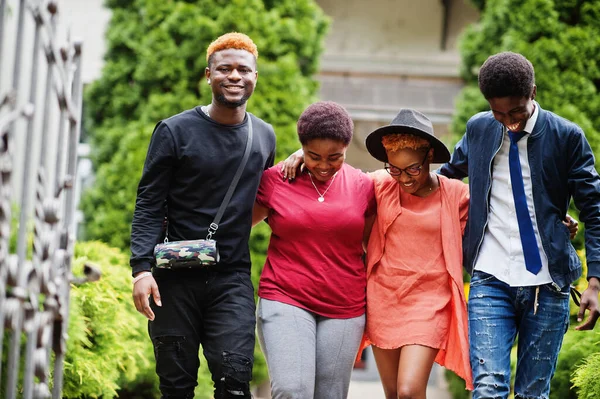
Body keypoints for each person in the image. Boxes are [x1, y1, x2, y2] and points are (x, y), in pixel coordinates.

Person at [438, 51, 600, 399]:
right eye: (499, 113)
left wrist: (596, 282)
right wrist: (389, 177)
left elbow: (595, 210)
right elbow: (443, 178)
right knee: (488, 386)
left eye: (516, 112)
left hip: (548, 283)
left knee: (532, 392)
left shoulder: (566, 137)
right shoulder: (480, 129)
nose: (508, 121)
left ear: (533, 93)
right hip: (489, 276)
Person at [130, 32, 276, 399]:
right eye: (224, 68)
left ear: (255, 77)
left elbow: (262, 198)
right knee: (176, 386)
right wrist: (141, 270)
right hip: (173, 279)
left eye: (244, 69)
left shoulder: (264, 136)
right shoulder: (174, 131)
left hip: (230, 279)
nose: (234, 76)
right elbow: (149, 201)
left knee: (234, 378)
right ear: (208, 74)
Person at [252, 101, 376, 399]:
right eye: (313, 155)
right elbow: (237, 226)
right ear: (301, 148)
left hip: (344, 307)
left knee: (330, 395)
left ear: (347, 149)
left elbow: (372, 245)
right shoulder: (276, 180)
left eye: (335, 157)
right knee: (293, 390)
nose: (323, 165)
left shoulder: (363, 185)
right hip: (285, 297)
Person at [363, 109, 473, 398]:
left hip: (430, 302)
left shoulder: (456, 195)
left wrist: (555, 220)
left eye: (413, 168)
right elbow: (335, 176)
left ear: (430, 157)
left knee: (410, 390)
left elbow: (501, 210)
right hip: (383, 298)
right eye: (395, 169)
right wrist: (299, 154)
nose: (405, 179)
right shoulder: (380, 185)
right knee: (393, 394)